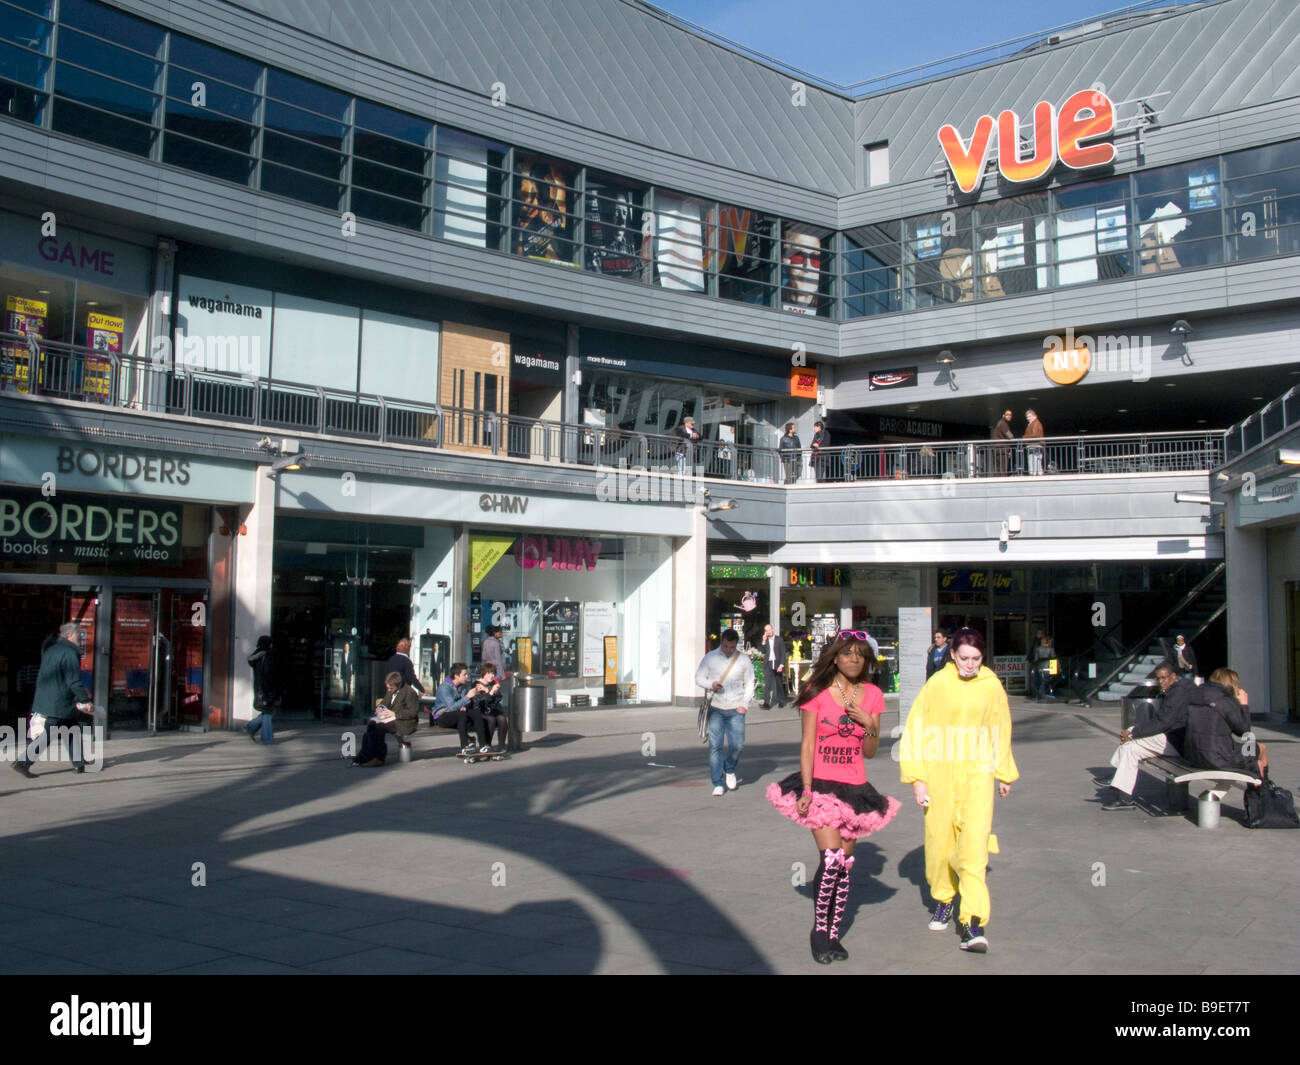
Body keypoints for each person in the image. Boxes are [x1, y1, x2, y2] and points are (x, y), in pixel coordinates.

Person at [766, 631, 900, 963]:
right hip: (822, 787)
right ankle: (819, 933)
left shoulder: (872, 695)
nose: (854, 659)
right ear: (835, 658)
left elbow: (869, 752)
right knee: (830, 860)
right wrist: (808, 790)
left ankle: (834, 932)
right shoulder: (817, 692)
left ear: (866, 660)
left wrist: (870, 723)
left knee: (843, 867)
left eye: (860, 655)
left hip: (855, 789)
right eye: (847, 654)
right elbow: (808, 745)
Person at [900, 627, 1018, 953]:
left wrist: (1003, 773)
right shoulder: (937, 684)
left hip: (977, 774)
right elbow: (916, 729)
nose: (970, 664)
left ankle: (972, 923)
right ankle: (944, 898)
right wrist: (917, 778)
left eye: (976, 658)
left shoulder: (991, 686)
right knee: (939, 847)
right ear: (952, 654)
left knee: (973, 848)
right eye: (964, 658)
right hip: (939, 773)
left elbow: (1000, 727)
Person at [1098, 661, 1196, 810]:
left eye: (1164, 678)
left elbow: (1164, 722)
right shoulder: (1177, 690)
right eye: (1158, 678)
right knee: (1132, 749)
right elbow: (1162, 722)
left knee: (1131, 741)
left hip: (1178, 741)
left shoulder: (1178, 693)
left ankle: (1117, 774)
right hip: (1173, 737)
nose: (1161, 682)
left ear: (1174, 676)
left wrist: (1134, 733)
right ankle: (1124, 798)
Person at [12, 622, 93, 778]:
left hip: (50, 699)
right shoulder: (69, 653)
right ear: (70, 636)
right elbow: (73, 681)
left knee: (72, 729)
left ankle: (80, 764)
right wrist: (85, 699)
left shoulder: (51, 649)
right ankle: (23, 762)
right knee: (50, 733)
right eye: (79, 636)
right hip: (59, 702)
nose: (81, 640)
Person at [695, 629, 755, 797]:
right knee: (715, 746)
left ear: (736, 645)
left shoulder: (743, 659)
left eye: (732, 647)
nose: (728, 650)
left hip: (736, 707)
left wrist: (744, 704)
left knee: (738, 744)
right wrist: (710, 684)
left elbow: (750, 683)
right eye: (726, 646)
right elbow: (698, 677)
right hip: (716, 707)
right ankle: (718, 783)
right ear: (721, 641)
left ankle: (729, 769)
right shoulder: (711, 658)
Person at [1181, 667, 1267, 779]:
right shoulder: (1225, 701)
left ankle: (1262, 787)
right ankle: (1264, 790)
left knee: (1255, 762)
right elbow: (1244, 732)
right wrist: (1244, 705)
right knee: (1261, 749)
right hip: (1219, 759)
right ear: (1232, 684)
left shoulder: (1194, 695)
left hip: (1193, 757)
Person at [354, 671, 421, 767]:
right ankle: (366, 754)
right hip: (391, 719)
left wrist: (394, 713)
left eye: (391, 688)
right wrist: (380, 708)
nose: (389, 689)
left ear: (398, 685)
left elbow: (413, 712)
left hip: (405, 722)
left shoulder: (409, 692)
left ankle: (379, 758)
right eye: (387, 687)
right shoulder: (391, 690)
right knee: (372, 724)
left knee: (380, 728)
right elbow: (385, 702)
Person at [431, 662, 490, 755]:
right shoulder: (445, 688)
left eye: (467, 674)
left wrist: (476, 693)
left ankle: (483, 745)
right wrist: (467, 697)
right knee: (461, 714)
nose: (467, 676)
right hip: (442, 715)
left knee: (476, 712)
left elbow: (463, 703)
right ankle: (464, 746)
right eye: (464, 674)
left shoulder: (463, 687)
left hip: (458, 714)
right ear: (456, 676)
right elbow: (451, 707)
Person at [468, 662, 508, 752]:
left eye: (493, 673)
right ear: (484, 674)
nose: (492, 675)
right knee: (491, 720)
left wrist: (490, 691)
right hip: (481, 710)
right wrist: (490, 692)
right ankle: (487, 745)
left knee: (502, 719)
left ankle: (501, 747)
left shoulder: (492, 683)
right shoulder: (477, 684)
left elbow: (499, 697)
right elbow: (480, 701)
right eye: (489, 673)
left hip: (492, 710)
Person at [246, 635, 276, 744]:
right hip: (266, 689)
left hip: (259, 688)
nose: (272, 645)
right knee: (268, 712)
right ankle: (266, 739)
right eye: (271, 643)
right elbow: (269, 676)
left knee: (266, 711)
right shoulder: (267, 657)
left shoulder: (257, 657)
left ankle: (250, 727)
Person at [759, 623, 788, 709]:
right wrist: (763, 641)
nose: (768, 632)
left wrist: (781, 665)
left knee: (779, 683)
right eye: (766, 630)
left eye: (769, 630)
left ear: (772, 629)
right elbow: (763, 651)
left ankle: (781, 701)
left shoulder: (779, 640)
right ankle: (766, 703)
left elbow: (783, 653)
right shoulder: (766, 640)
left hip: (777, 663)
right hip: (768, 663)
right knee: (767, 684)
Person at [1031, 631, 1056, 701]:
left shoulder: (1038, 649)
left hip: (1040, 668)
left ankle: (1040, 695)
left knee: (1040, 681)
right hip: (1048, 668)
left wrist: (1035, 668)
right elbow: (1053, 659)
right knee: (1046, 681)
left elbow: (1036, 659)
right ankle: (1044, 694)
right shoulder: (1051, 649)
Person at [991, 408, 1015, 475]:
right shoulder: (1003, 424)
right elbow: (1010, 436)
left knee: (999, 469)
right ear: (1003, 415)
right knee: (1002, 469)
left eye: (1010, 415)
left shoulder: (1000, 423)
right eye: (1007, 415)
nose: (1009, 416)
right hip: (1002, 450)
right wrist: (1012, 437)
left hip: (998, 449)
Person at [1023, 628, 1044, 699]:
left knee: (1040, 679)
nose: (1039, 634)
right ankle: (1036, 694)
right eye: (1038, 633)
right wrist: (1029, 659)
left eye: (1040, 633)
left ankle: (1039, 694)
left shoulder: (1043, 642)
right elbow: (1032, 650)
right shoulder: (1035, 641)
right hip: (1035, 662)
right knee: (1034, 679)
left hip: (1041, 663)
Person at [1023, 408, 1045, 475]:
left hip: (1034, 445)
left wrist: (1024, 437)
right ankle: (1039, 475)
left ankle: (1033, 475)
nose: (1028, 418)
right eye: (1027, 417)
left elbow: (1034, 434)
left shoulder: (1035, 423)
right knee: (1037, 462)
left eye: (1029, 416)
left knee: (1033, 461)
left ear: (1034, 416)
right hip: (1037, 445)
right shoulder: (1036, 423)